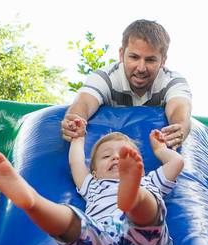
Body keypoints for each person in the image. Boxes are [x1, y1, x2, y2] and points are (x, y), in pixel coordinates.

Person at [0, 121, 184, 245]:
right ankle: (33, 202)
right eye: (107, 156)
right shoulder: (93, 185)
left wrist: (160, 149)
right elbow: (77, 164)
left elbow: (176, 163)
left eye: (123, 156)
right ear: (95, 173)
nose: (115, 158)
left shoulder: (148, 180)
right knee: (73, 221)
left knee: (149, 208)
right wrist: (78, 139)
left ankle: (133, 198)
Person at [62, 19, 192, 149]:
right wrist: (76, 120)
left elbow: (179, 108)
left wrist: (178, 127)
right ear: (121, 54)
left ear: (163, 60)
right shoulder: (107, 77)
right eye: (134, 57)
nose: (141, 68)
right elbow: (84, 102)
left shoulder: (172, 81)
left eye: (150, 60)